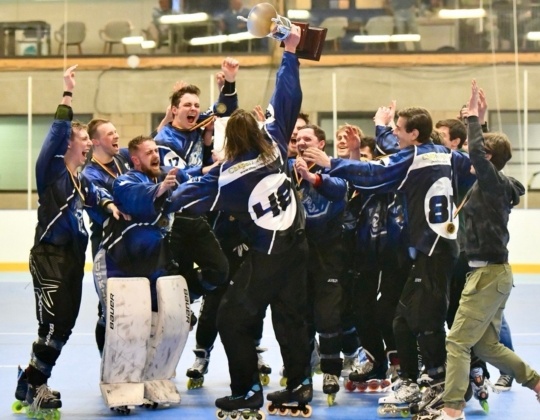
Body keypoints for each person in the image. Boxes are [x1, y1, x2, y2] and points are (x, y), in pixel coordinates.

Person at [166, 25, 313, 417]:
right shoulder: (277, 143)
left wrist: (167, 187)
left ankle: (247, 391)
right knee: (291, 317)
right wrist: (290, 54)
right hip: (298, 247)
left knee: (232, 317)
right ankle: (299, 385)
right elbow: (287, 98)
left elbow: (191, 199)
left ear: (231, 143)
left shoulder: (231, 176)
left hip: (266, 255)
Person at [303, 106, 472, 408]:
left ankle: (440, 382)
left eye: (399, 128)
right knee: (401, 320)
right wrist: (476, 124)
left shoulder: (414, 158)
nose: (394, 133)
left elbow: (375, 171)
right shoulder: (446, 155)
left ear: (415, 134)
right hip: (429, 250)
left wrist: (332, 162)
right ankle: (412, 379)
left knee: (426, 321)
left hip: (434, 249)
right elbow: (473, 166)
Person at [415, 81, 540, 420]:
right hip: (486, 273)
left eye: (475, 149)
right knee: (486, 346)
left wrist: (472, 119)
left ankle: (453, 410)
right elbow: (477, 157)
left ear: (485, 157)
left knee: (456, 341)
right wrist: (478, 124)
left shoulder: (494, 184)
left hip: (488, 274)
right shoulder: (481, 185)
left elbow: (478, 157)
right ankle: (537, 384)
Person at [15, 65, 122, 418]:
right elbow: (58, 131)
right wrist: (67, 93)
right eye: (84, 138)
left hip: (74, 259)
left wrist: (111, 207)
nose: (89, 143)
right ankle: (35, 385)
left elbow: (99, 198)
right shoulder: (52, 169)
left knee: (63, 325)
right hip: (50, 255)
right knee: (54, 323)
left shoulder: (81, 181)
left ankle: (30, 379)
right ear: (68, 144)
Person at [292, 124, 348, 400]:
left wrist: (311, 177)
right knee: (301, 317)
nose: (301, 143)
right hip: (298, 255)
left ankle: (331, 369)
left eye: (307, 138)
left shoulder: (332, 168)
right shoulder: (288, 169)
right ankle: (301, 372)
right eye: (298, 139)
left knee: (328, 315)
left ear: (321, 144)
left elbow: (339, 190)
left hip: (329, 254)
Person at [81, 118, 131, 356]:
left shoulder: (122, 158)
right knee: (108, 307)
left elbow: (147, 147)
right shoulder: (89, 173)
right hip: (106, 244)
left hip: (132, 241)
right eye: (110, 133)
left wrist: (165, 122)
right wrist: (111, 206)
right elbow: (98, 194)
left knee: (135, 302)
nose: (116, 136)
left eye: (116, 131)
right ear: (96, 141)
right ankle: (108, 363)